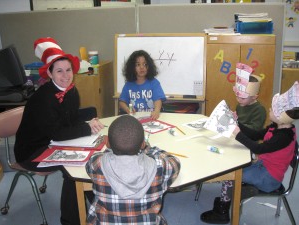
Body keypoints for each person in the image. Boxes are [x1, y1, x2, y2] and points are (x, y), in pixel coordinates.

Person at [14, 37, 104, 225]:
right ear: (50, 73)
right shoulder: (43, 99)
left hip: (52, 142)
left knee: (89, 156)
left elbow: (68, 120)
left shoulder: (71, 90)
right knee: (72, 168)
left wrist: (89, 120)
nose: (66, 76)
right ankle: (71, 220)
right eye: (59, 71)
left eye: (68, 70)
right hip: (33, 151)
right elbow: (58, 133)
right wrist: (86, 128)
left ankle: (96, 207)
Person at [200, 81, 299, 224]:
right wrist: (237, 124)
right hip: (264, 167)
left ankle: (222, 212)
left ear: (281, 116)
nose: (270, 109)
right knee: (233, 169)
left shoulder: (283, 137)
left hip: (270, 178)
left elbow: (258, 149)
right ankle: (234, 194)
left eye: (273, 109)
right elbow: (255, 134)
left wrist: (237, 133)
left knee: (232, 175)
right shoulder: (278, 127)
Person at [85, 115, 181, 224]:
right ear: (142, 144)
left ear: (108, 144)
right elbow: (175, 162)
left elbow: (91, 164)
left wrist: (109, 149)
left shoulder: (97, 163)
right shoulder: (159, 166)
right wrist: (149, 149)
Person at [119, 50, 166, 120]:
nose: (141, 67)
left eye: (145, 64)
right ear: (132, 68)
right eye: (138, 65)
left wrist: (156, 111)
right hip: (134, 119)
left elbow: (158, 100)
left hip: (151, 117)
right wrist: (127, 109)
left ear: (149, 66)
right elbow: (122, 102)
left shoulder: (154, 83)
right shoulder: (128, 85)